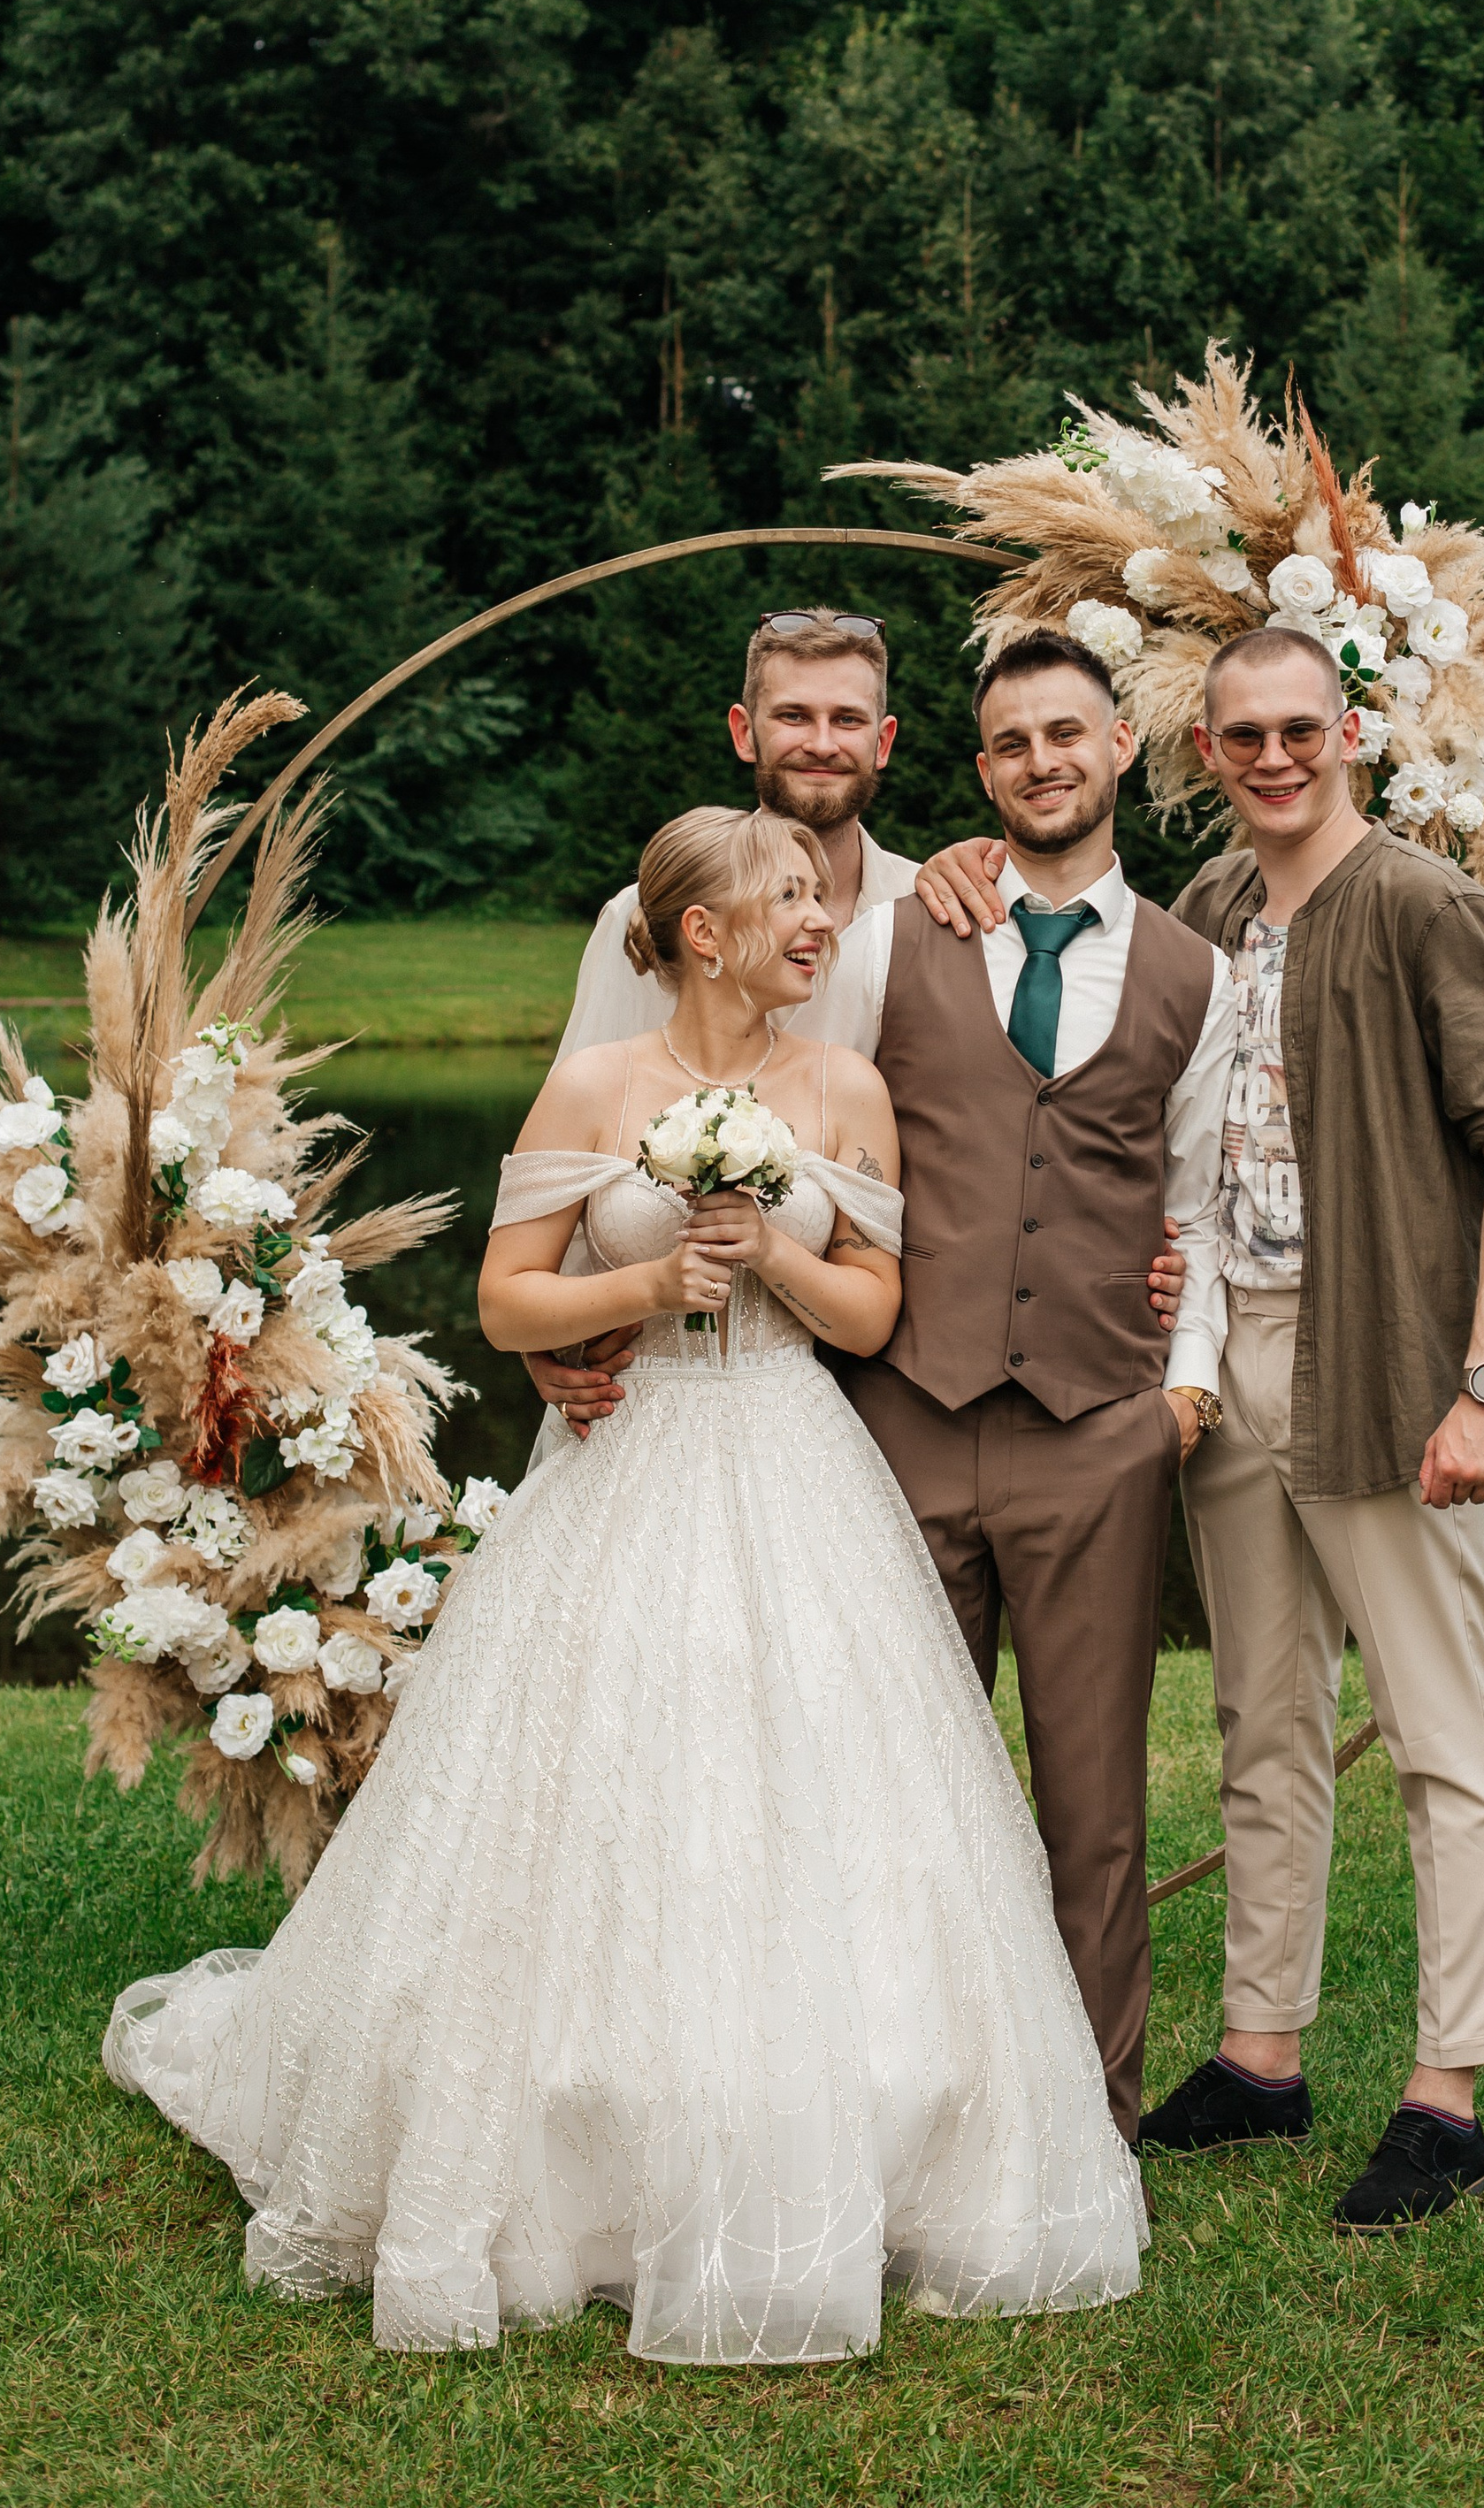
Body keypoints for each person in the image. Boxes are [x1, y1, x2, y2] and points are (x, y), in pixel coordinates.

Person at [104, 807, 1145, 2363]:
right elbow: (507, 1291)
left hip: (795, 1455)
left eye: (818, 896)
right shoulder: (600, 1085)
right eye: (788, 900)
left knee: (817, 1785)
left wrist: (772, 1258)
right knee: (592, 1775)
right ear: (700, 929)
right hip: (632, 1448)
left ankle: (859, 2132)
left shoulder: (845, 1089)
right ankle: (556, 2136)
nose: (818, 923)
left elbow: (870, 1315)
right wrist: (652, 1283)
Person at [914, 622, 1484, 2230]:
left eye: (1300, 730)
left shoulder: (1422, 904)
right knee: (1263, 1727)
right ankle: (1262, 2055)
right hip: (1214, 1372)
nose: (1274, 758)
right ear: (1198, 752)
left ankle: (1448, 2089)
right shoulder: (1200, 914)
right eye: (1243, 737)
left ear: (1349, 730)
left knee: (1439, 1734)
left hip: (1387, 1361)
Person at [804, 631, 1239, 2147]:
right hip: (905, 1418)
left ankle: (1086, 2135)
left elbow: (1201, 1208)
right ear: (979, 770)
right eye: (1012, 743)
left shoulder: (1198, 973)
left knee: (1093, 1811)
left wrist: (1178, 1402)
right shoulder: (896, 939)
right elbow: (817, 1146)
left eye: (1070, 732)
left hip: (1094, 1436)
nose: (1044, 760)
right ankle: (881, 2115)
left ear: (1123, 748)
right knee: (888, 1800)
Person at [536, 606, 918, 1445]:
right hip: (649, 1379)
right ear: (746, 732)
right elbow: (563, 1170)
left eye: (847, 719)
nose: (822, 741)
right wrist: (550, 1346)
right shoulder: (649, 918)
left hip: (882, 1370)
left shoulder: (935, 912)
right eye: (794, 716)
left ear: (882, 741)